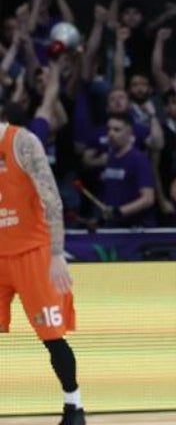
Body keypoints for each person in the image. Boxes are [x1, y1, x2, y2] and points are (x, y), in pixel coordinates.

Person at [0, 121, 85, 424]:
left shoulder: (22, 142)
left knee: (51, 336)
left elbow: (52, 198)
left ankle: (74, 406)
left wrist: (57, 252)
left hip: (32, 253)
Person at [98, 112, 156, 227]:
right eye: (109, 129)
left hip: (136, 229)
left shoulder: (139, 159)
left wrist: (119, 212)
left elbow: (148, 198)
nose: (110, 134)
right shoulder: (110, 158)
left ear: (129, 132)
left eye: (116, 130)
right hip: (115, 226)